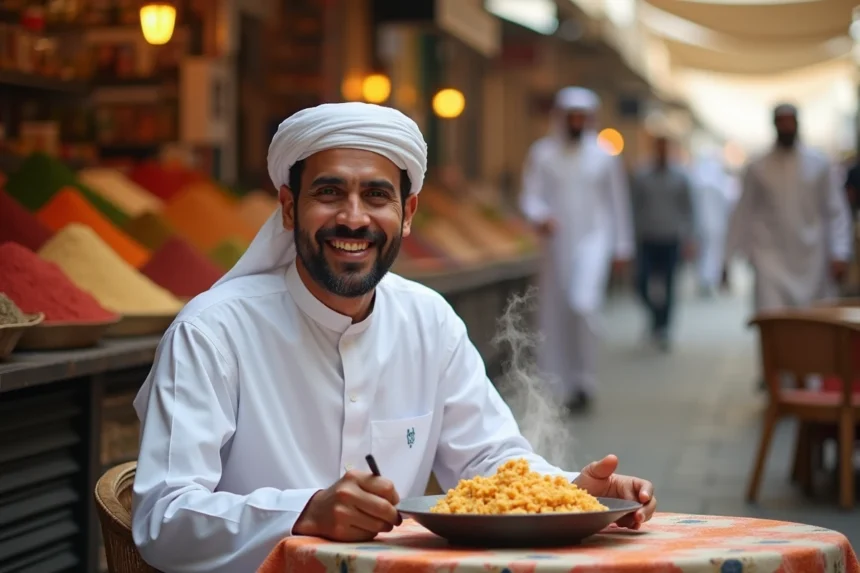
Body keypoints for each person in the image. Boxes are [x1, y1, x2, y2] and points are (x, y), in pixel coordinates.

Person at [130, 102, 656, 572]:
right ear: (289, 208)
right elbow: (163, 517)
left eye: (377, 195)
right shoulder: (212, 332)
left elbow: (486, 461)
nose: (353, 218)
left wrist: (575, 496)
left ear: (406, 215)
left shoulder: (430, 320)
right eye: (329, 192)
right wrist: (303, 512)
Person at [519, 86, 634, 411]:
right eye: (572, 116)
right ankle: (560, 384)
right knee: (554, 314)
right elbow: (530, 195)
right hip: (555, 245)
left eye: (583, 117)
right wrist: (540, 216)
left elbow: (617, 203)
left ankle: (585, 379)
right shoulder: (542, 153)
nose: (577, 122)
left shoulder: (604, 155)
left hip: (595, 239)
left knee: (582, 305)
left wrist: (622, 247)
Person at [724, 103, 853, 313]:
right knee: (774, 324)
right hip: (770, 261)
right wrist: (727, 258)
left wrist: (840, 252)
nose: (786, 127)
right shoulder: (758, 167)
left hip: (813, 260)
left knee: (813, 325)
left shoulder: (819, 164)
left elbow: (836, 211)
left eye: (790, 122)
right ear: (774, 125)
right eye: (781, 122)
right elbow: (742, 213)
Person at [630, 134, 695, 350]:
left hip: (671, 238)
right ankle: (655, 317)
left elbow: (688, 210)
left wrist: (689, 239)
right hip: (647, 238)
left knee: (668, 285)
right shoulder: (642, 176)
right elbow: (632, 208)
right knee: (641, 284)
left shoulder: (681, 178)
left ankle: (663, 326)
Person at [691, 147, 733, 297]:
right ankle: (707, 281)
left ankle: (707, 281)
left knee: (708, 254)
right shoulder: (717, 182)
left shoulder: (700, 180)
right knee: (709, 253)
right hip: (712, 225)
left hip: (707, 225)